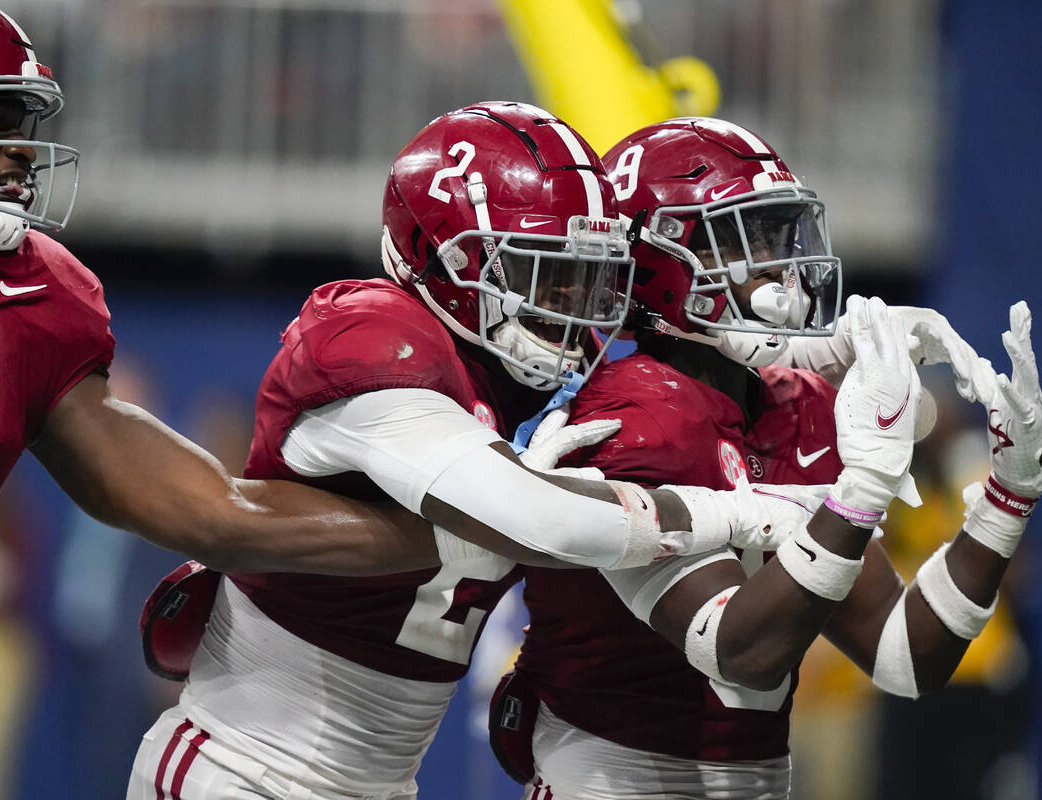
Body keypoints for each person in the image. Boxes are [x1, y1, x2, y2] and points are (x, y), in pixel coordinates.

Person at [124, 101, 898, 799]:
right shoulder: (374, 341)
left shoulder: (521, 376)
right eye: (542, 277)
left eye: (582, 279)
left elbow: (689, 361)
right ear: (450, 261)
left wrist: (842, 348)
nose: (567, 311)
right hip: (241, 770)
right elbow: (546, 521)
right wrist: (748, 513)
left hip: (379, 783)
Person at [0, 4, 469, 797]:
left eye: (22, 121)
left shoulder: (32, 297)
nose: (18, 152)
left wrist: (470, 529)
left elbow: (216, 513)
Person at [499, 117, 1042, 799]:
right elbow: (739, 652)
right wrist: (863, 487)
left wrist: (1005, 502)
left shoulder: (790, 403)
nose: (781, 265)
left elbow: (906, 653)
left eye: (777, 233)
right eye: (746, 238)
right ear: (662, 259)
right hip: (611, 778)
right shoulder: (637, 418)